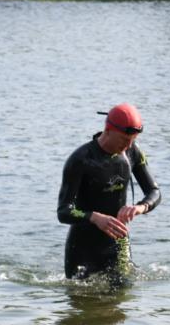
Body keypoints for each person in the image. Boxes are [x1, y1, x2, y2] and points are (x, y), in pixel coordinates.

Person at [57, 103, 161, 283]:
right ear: (108, 129)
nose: (127, 145)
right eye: (123, 139)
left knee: (123, 297)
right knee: (80, 302)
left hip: (119, 243)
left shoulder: (132, 151)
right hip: (83, 247)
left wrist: (139, 208)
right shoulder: (80, 160)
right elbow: (63, 211)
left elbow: (154, 192)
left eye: (132, 140)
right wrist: (94, 217)